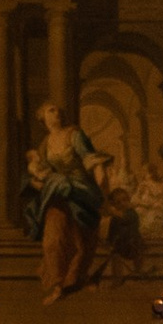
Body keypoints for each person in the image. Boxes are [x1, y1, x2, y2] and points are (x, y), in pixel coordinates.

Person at [18, 102, 114, 304]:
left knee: (82, 240)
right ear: (42, 117)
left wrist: (102, 186)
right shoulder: (45, 143)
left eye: (59, 110)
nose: (57, 113)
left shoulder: (74, 135)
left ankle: (78, 278)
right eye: (51, 110)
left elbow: (91, 160)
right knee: (53, 239)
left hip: (81, 190)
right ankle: (57, 285)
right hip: (58, 191)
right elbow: (42, 170)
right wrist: (35, 179)